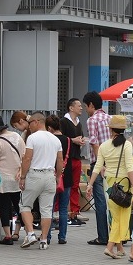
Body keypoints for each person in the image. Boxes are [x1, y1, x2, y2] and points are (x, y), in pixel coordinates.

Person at [87, 115, 133, 259]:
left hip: (109, 183)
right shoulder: (127, 145)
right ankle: (110, 247)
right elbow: (129, 168)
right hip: (124, 183)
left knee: (114, 214)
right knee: (121, 217)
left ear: (111, 130)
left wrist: (90, 184)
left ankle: (119, 247)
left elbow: (97, 166)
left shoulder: (104, 145)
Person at [18, 112, 63, 250]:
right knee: (46, 210)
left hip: (34, 175)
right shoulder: (56, 139)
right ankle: (44, 240)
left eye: (30, 122)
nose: (29, 126)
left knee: (25, 205)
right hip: (50, 175)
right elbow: (60, 160)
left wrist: (23, 176)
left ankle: (30, 233)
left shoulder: (33, 138)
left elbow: (27, 159)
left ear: (37, 122)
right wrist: (58, 177)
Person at [0, 114, 25, 245]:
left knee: (4, 207)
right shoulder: (17, 137)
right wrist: (20, 170)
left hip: (2, 179)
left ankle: (8, 236)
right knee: (19, 206)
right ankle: (27, 231)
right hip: (17, 178)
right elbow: (24, 156)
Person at [82, 91, 111, 246]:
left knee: (100, 201)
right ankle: (118, 234)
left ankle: (103, 236)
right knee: (114, 199)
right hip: (113, 164)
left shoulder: (92, 120)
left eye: (86, 106)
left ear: (91, 105)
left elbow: (94, 143)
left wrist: (101, 164)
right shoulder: (110, 118)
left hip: (99, 164)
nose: (86, 109)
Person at [59, 99, 86, 226]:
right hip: (66, 159)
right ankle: (60, 211)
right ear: (71, 108)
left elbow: (79, 137)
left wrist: (81, 141)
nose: (81, 108)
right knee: (63, 185)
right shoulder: (63, 122)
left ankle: (75, 211)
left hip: (76, 157)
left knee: (75, 185)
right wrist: (72, 140)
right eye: (79, 106)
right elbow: (60, 138)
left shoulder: (79, 123)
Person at [46, 114, 72, 244]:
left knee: (49, 208)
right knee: (63, 209)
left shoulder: (49, 140)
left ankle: (47, 236)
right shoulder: (67, 140)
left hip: (51, 176)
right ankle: (62, 237)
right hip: (65, 177)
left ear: (49, 128)